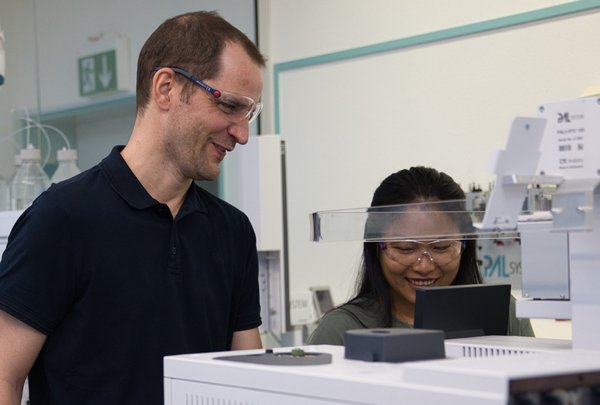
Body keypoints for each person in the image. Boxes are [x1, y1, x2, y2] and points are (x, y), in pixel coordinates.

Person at [0, 11, 265, 404]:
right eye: (228, 106)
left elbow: (249, 381)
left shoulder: (233, 231)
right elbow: (4, 376)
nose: (242, 134)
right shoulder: (61, 219)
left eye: (249, 114)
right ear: (166, 88)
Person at [308, 166, 534, 345]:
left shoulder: (503, 314)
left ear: (465, 245)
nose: (424, 266)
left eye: (441, 247)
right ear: (376, 247)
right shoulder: (342, 330)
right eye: (405, 248)